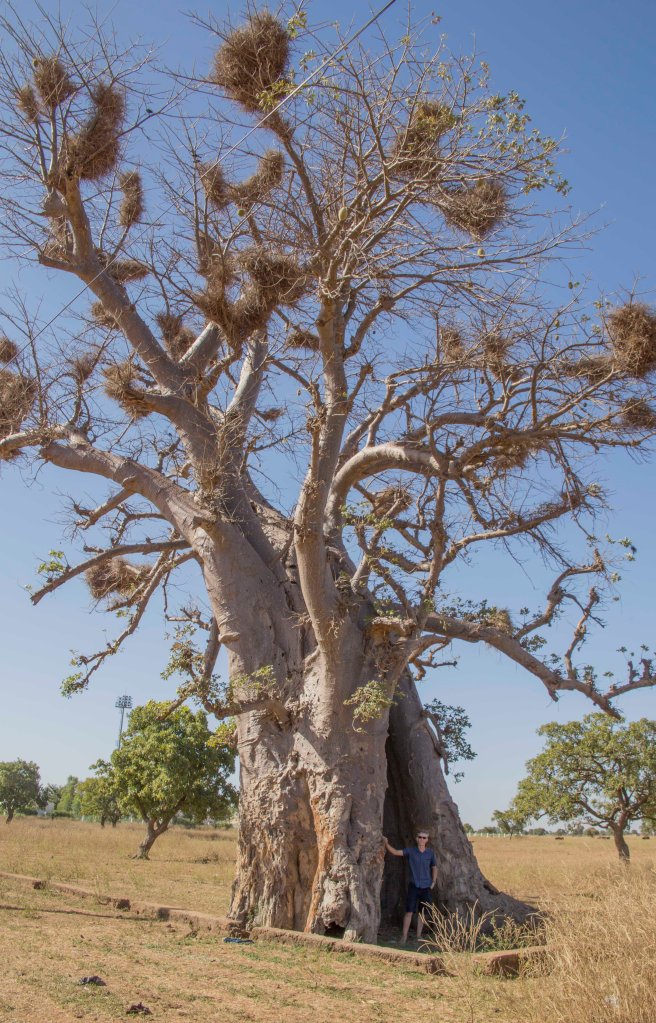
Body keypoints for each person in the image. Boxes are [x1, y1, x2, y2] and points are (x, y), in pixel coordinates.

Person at [383, 830, 437, 944]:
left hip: (426, 886)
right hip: (414, 886)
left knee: (422, 914)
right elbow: (396, 852)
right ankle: (404, 936)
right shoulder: (411, 851)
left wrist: (433, 882)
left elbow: (434, 867)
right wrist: (386, 843)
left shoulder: (430, 853)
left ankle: (418, 936)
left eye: (424, 838)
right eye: (420, 837)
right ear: (417, 838)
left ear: (427, 840)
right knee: (409, 912)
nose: (422, 839)